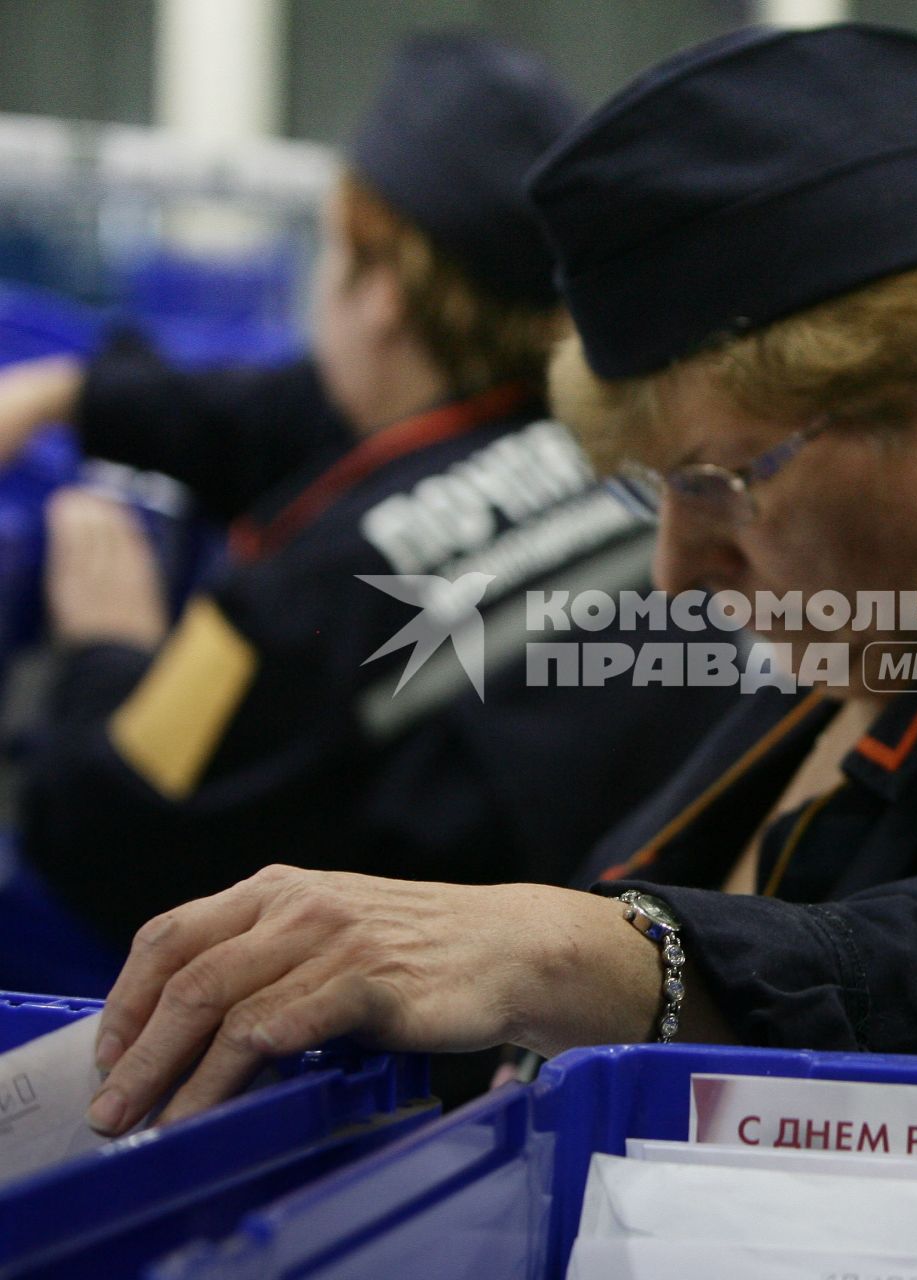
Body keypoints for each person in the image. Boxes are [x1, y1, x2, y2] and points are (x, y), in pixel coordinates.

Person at [80, 22, 917, 1138]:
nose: (679, 571)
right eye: (657, 493)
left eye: (718, 482)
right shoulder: (844, 680)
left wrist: (581, 956)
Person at [0, 33, 733, 955]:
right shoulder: (613, 439)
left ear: (380, 289)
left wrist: (105, 645)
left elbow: (108, 839)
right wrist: (70, 392)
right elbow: (290, 412)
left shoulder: (317, 589)